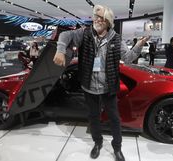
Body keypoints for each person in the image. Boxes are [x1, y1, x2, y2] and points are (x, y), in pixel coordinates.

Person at [53, 4, 149, 161]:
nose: (97, 20)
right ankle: (97, 143)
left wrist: (138, 46)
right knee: (93, 116)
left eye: (101, 18)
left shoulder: (116, 39)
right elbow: (65, 36)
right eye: (95, 17)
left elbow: (127, 58)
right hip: (88, 86)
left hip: (108, 87)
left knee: (114, 118)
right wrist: (60, 50)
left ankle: (117, 147)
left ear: (108, 21)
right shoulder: (84, 33)